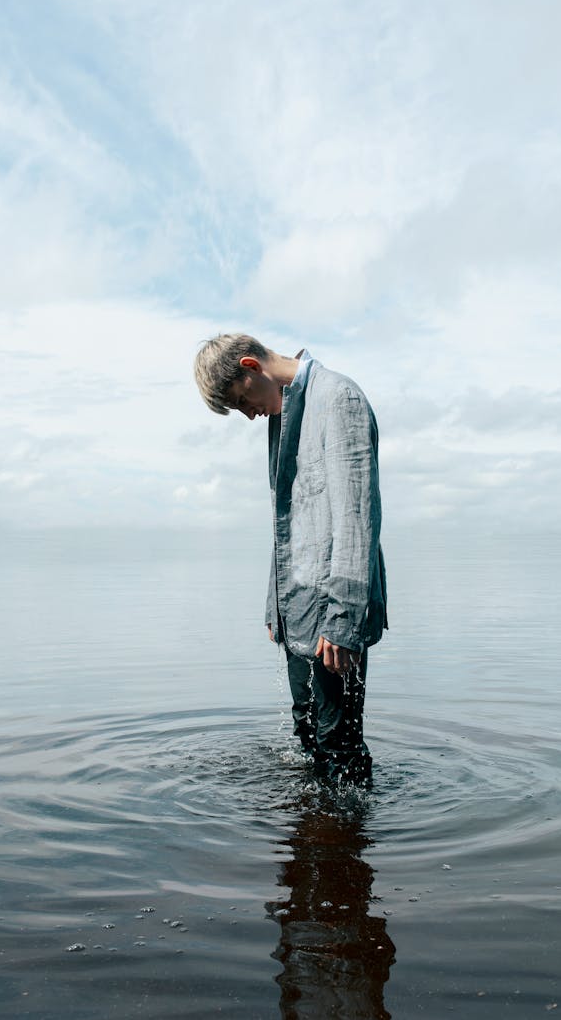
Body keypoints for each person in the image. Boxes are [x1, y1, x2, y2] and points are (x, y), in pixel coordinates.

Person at [193, 333, 387, 785]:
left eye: (242, 401)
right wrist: (274, 604)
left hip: (335, 610)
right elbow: (288, 521)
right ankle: (311, 841)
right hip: (297, 606)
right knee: (307, 734)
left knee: (338, 743)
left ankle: (347, 846)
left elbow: (356, 520)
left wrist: (342, 620)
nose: (249, 414)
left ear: (251, 366)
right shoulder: (282, 414)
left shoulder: (339, 399)